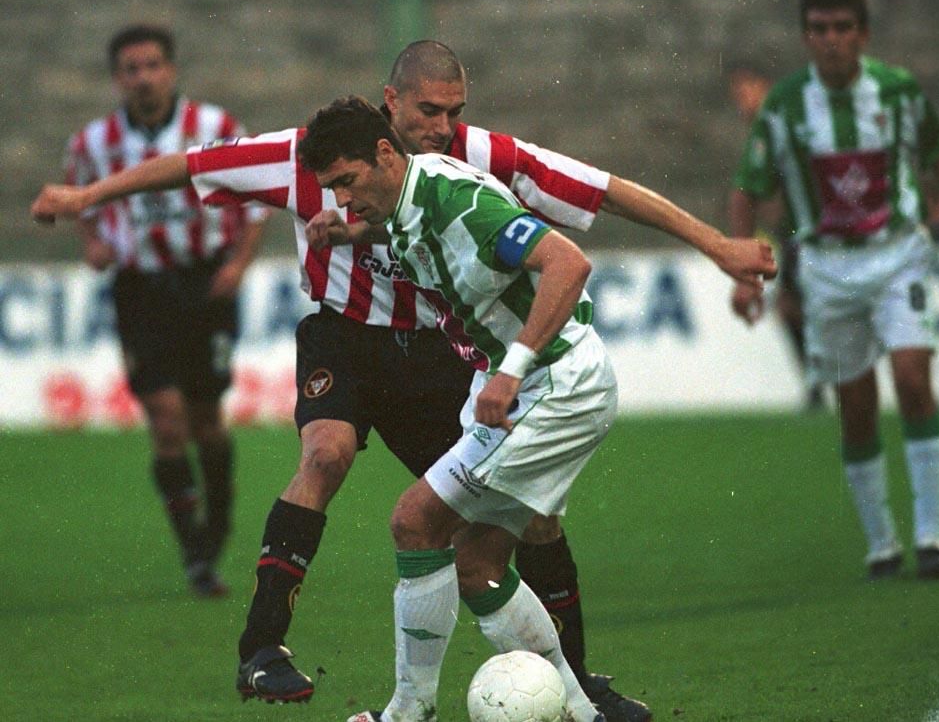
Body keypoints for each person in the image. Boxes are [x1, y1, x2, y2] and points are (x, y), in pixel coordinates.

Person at [32, 41, 775, 715]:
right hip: (344, 338)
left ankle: (575, 682)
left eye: (455, 112)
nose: (444, 126)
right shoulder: (315, 154)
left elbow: (601, 189)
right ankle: (261, 649)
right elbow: (193, 165)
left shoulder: (477, 157)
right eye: (428, 110)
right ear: (391, 105)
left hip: (444, 356)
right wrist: (84, 199)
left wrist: (716, 245)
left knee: (523, 522)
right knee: (325, 455)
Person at [295, 94, 770, 722]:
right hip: (534, 382)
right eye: (332, 191)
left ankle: (410, 712)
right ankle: (578, 711)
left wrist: (512, 369)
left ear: (385, 153)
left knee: (415, 523)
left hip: (553, 386)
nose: (343, 200)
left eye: (348, 184)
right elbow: (407, 229)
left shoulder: (459, 200)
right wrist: (353, 228)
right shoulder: (409, 197)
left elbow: (568, 262)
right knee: (477, 563)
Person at [725, 0, 939, 581]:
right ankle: (882, 543)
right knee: (855, 405)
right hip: (828, 269)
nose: (831, 40)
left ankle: (933, 537)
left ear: (862, 34)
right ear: (806, 36)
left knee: (914, 379)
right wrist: (745, 271)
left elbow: (938, 146)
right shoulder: (785, 105)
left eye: (842, 28)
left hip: (897, 255)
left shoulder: (897, 90)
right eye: (819, 29)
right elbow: (747, 190)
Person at [60, 24, 266, 597]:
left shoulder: (217, 128)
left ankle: (218, 523)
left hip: (207, 285)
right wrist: (92, 242)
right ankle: (195, 552)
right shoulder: (94, 143)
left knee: (206, 420)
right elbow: (83, 198)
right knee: (166, 419)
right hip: (141, 290)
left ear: (170, 70)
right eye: (132, 68)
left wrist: (240, 265)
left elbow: (255, 200)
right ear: (117, 78)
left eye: (153, 65)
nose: (143, 77)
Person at [726, 61, 826, 411]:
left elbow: (743, 195)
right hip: (800, 230)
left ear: (766, 86)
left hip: (817, 230)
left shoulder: (779, 121)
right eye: (737, 94)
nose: (742, 101)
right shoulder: (780, 122)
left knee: (794, 307)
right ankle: (819, 381)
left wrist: (743, 266)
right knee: (792, 307)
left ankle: (820, 381)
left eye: (746, 90)